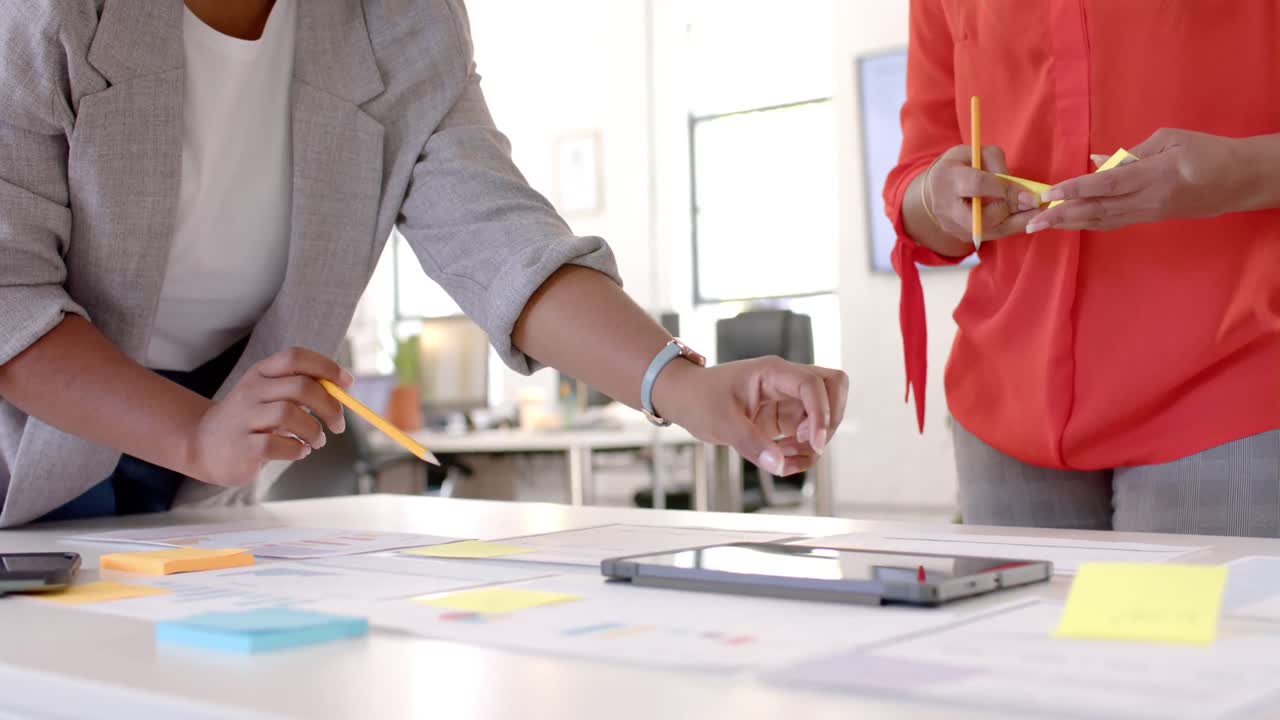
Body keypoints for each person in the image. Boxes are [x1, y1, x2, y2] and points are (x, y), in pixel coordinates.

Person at [0, 0, 847, 527]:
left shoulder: (400, 21)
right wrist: (192, 433)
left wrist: (684, 386)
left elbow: (497, 235)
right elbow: (8, 290)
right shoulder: (44, 15)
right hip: (33, 430)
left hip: (203, 470)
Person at [886, 1, 1280, 536]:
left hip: (1231, 380)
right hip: (1005, 404)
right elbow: (916, 183)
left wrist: (1237, 172)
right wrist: (938, 198)